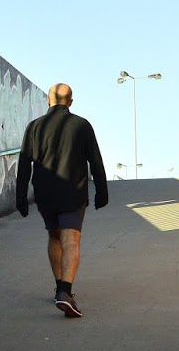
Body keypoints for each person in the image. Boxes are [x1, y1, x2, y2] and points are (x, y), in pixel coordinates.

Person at [15, 83, 109, 317]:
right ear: (71, 102)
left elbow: (24, 162)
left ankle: (59, 287)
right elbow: (95, 160)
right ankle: (65, 291)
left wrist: (21, 196)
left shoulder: (34, 126)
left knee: (54, 236)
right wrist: (102, 191)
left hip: (45, 193)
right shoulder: (82, 125)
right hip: (72, 192)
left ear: (48, 100)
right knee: (71, 240)